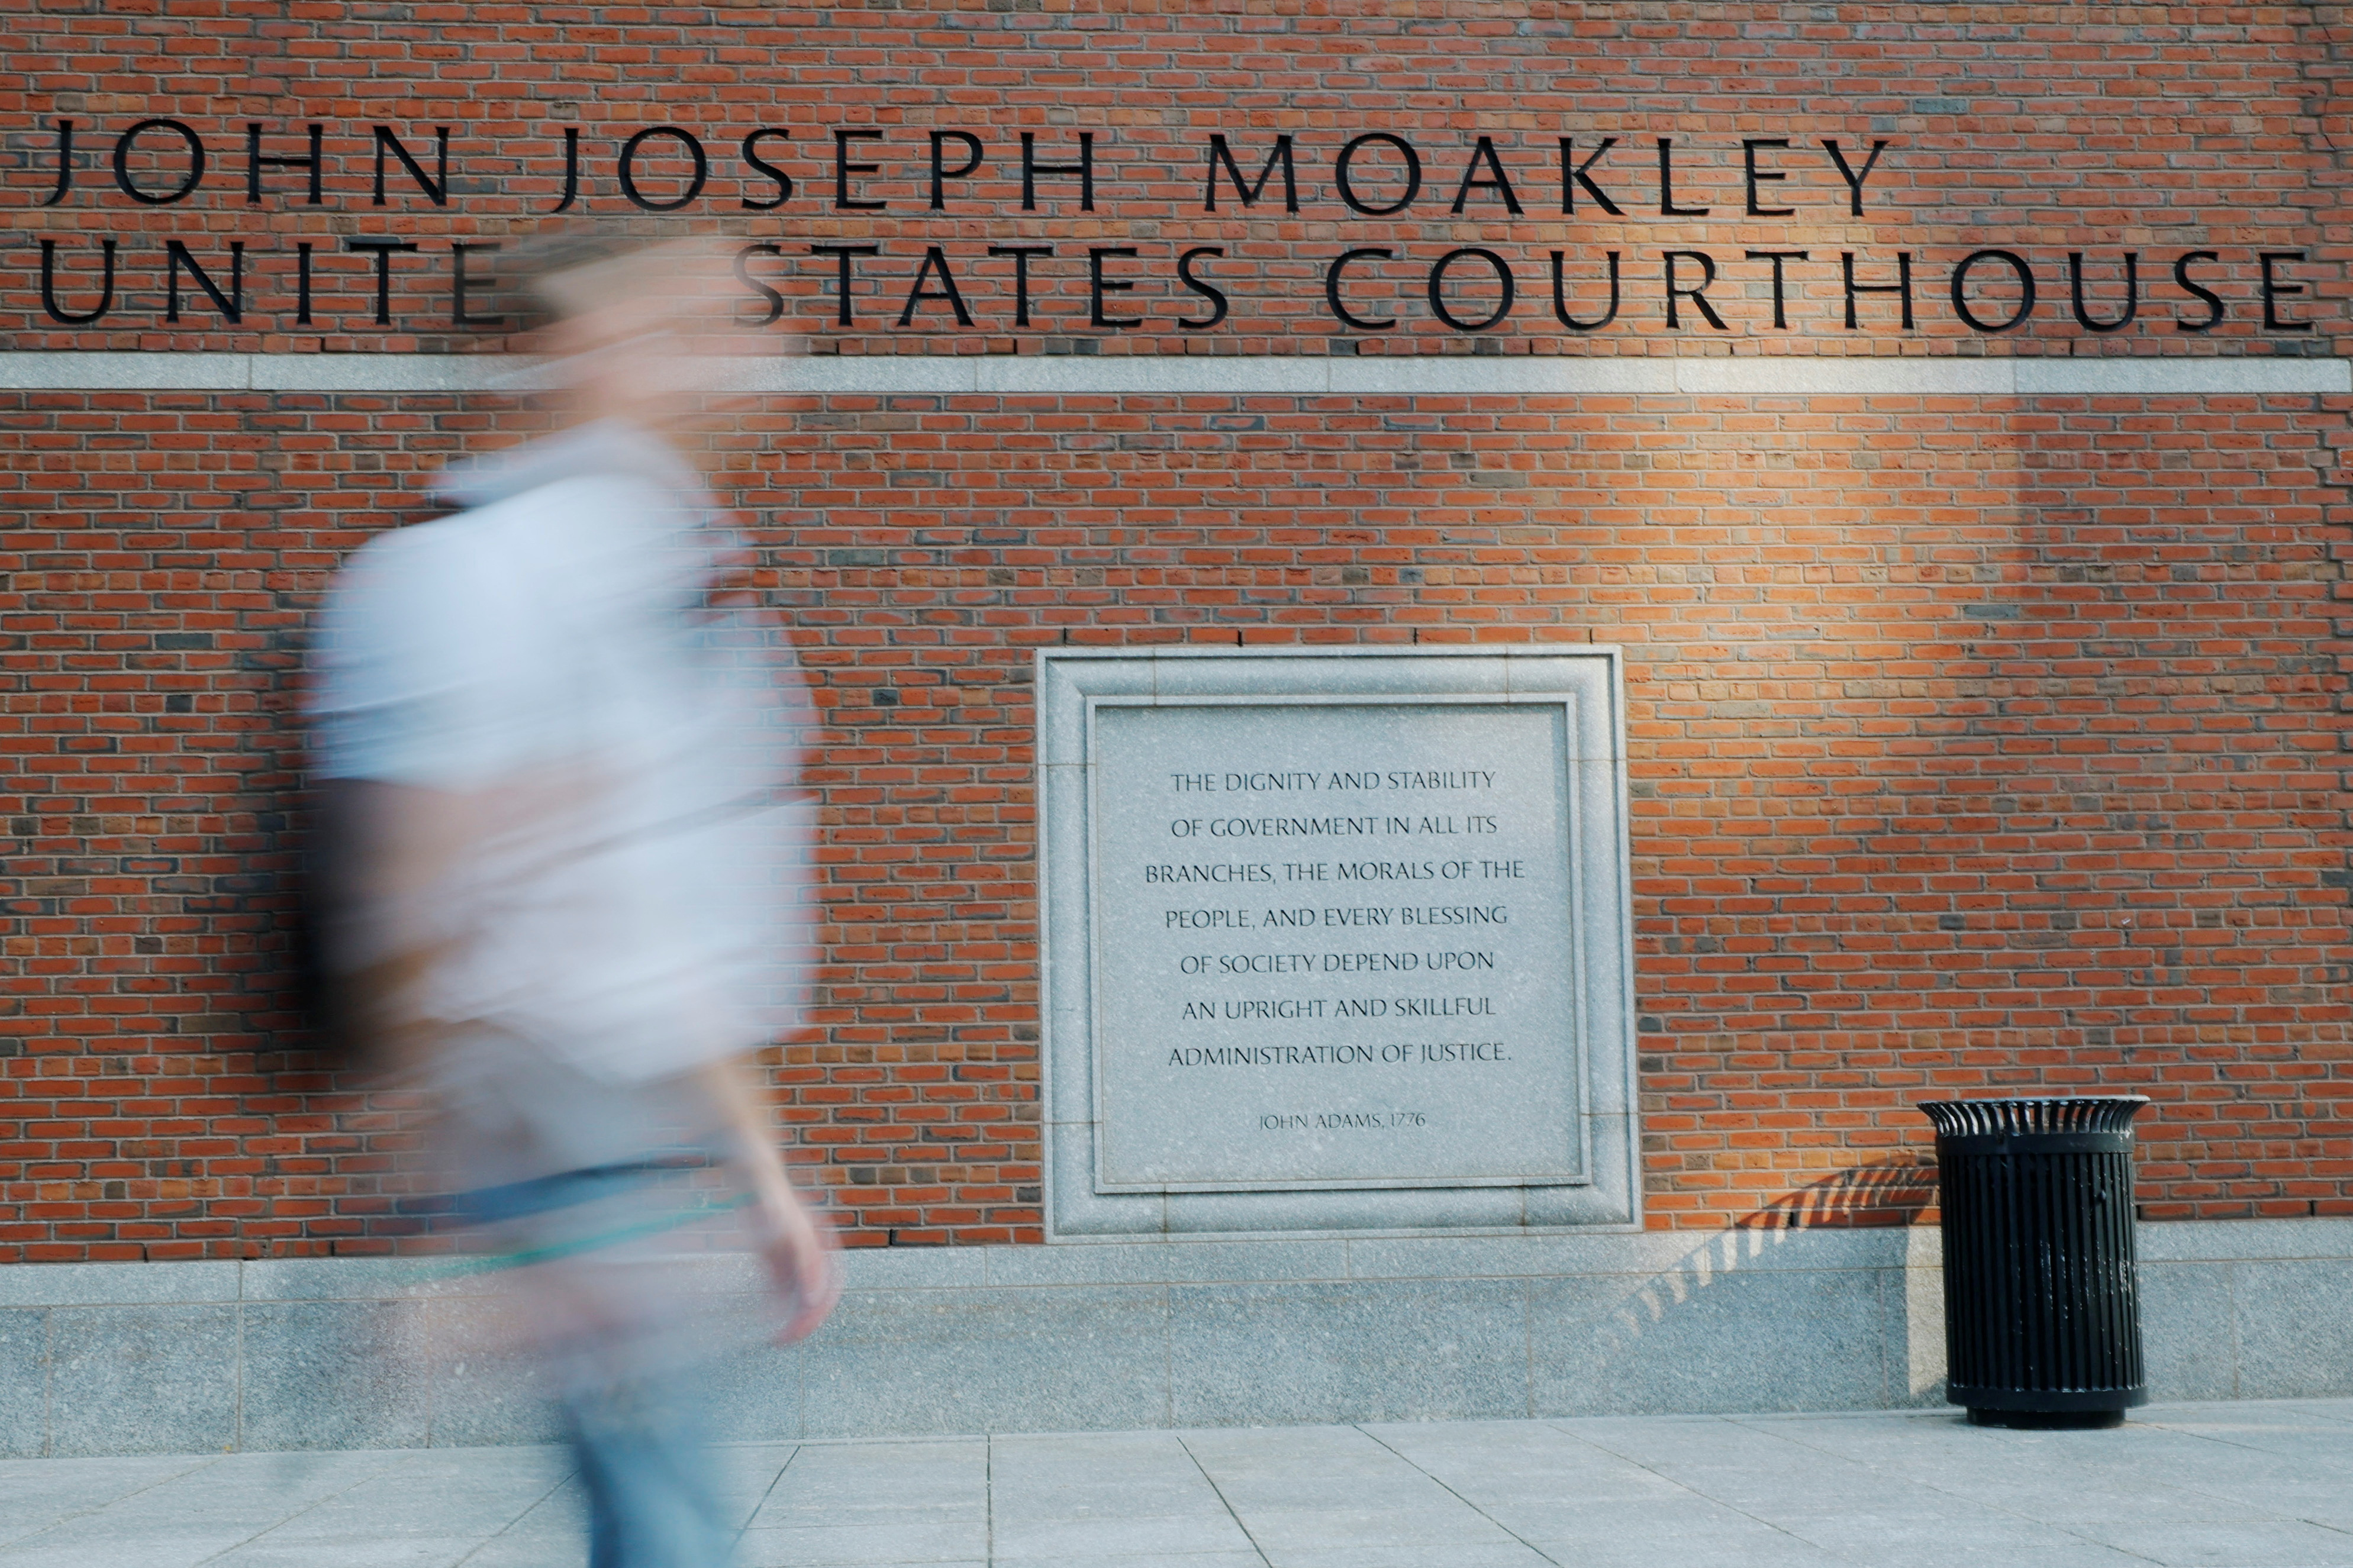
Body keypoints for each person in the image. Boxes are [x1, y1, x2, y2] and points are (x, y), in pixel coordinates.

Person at [308, 231, 836, 1568]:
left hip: (639, 1158)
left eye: (740, 317)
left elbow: (680, 909)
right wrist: (437, 1187)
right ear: (577, 349)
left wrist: (758, 1168)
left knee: (662, 1523)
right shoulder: (482, 572)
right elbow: (411, 893)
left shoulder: (675, 568)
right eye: (689, 320)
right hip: (561, 1143)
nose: (742, 349)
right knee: (669, 1533)